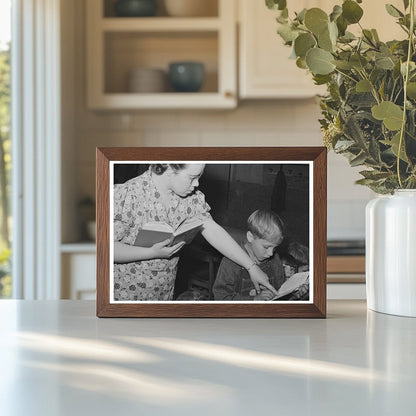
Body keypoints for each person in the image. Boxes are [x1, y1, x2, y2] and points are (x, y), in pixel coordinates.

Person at [113, 164, 278, 301]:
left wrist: (251, 267)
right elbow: (105, 249)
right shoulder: (127, 195)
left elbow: (212, 229)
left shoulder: (190, 197)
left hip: (164, 292)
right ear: (169, 169)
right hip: (125, 294)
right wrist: (151, 252)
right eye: (192, 177)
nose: (197, 184)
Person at [213, 209, 286, 301]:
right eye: (266, 247)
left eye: (275, 248)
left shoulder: (274, 259)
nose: (271, 253)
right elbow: (221, 297)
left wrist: (294, 293)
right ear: (250, 237)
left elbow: (281, 290)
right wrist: (254, 300)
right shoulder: (231, 262)